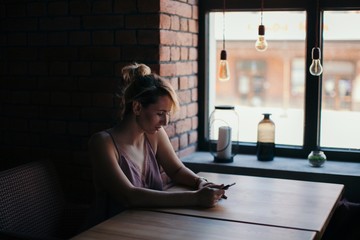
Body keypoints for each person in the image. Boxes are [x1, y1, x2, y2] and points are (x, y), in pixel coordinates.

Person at [86, 63, 226, 226]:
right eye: (160, 113)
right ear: (137, 107)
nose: (165, 121)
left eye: (167, 114)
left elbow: (176, 170)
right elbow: (129, 196)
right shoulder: (102, 143)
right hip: (107, 231)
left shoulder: (154, 134)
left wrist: (200, 182)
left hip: (148, 225)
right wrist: (196, 197)